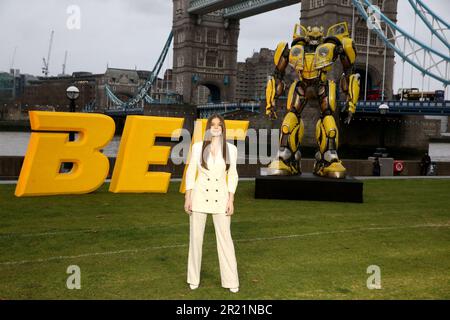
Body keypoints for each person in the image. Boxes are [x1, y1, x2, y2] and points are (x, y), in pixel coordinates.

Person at [184, 114, 240, 293]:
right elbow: (191, 173)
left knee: (225, 240)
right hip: (199, 197)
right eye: (213, 125)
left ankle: (231, 281)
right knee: (195, 239)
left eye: (219, 125)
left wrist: (231, 199)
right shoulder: (198, 147)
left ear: (223, 128)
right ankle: (193, 279)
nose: (216, 127)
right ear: (208, 128)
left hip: (221, 199)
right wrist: (188, 197)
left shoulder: (231, 149)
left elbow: (232, 175)